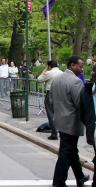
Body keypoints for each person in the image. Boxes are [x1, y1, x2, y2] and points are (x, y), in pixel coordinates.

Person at [50, 56, 89, 187]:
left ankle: (80, 177)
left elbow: (50, 100)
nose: (82, 69)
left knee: (71, 150)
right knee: (66, 152)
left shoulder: (56, 80)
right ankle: (58, 181)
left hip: (60, 120)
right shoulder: (76, 82)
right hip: (71, 122)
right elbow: (80, 104)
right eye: (80, 66)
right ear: (72, 65)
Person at [37, 60, 63, 140]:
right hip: (61, 94)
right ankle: (61, 132)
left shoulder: (49, 73)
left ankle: (54, 133)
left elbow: (39, 79)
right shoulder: (62, 73)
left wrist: (45, 70)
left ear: (49, 66)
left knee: (51, 114)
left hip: (51, 93)